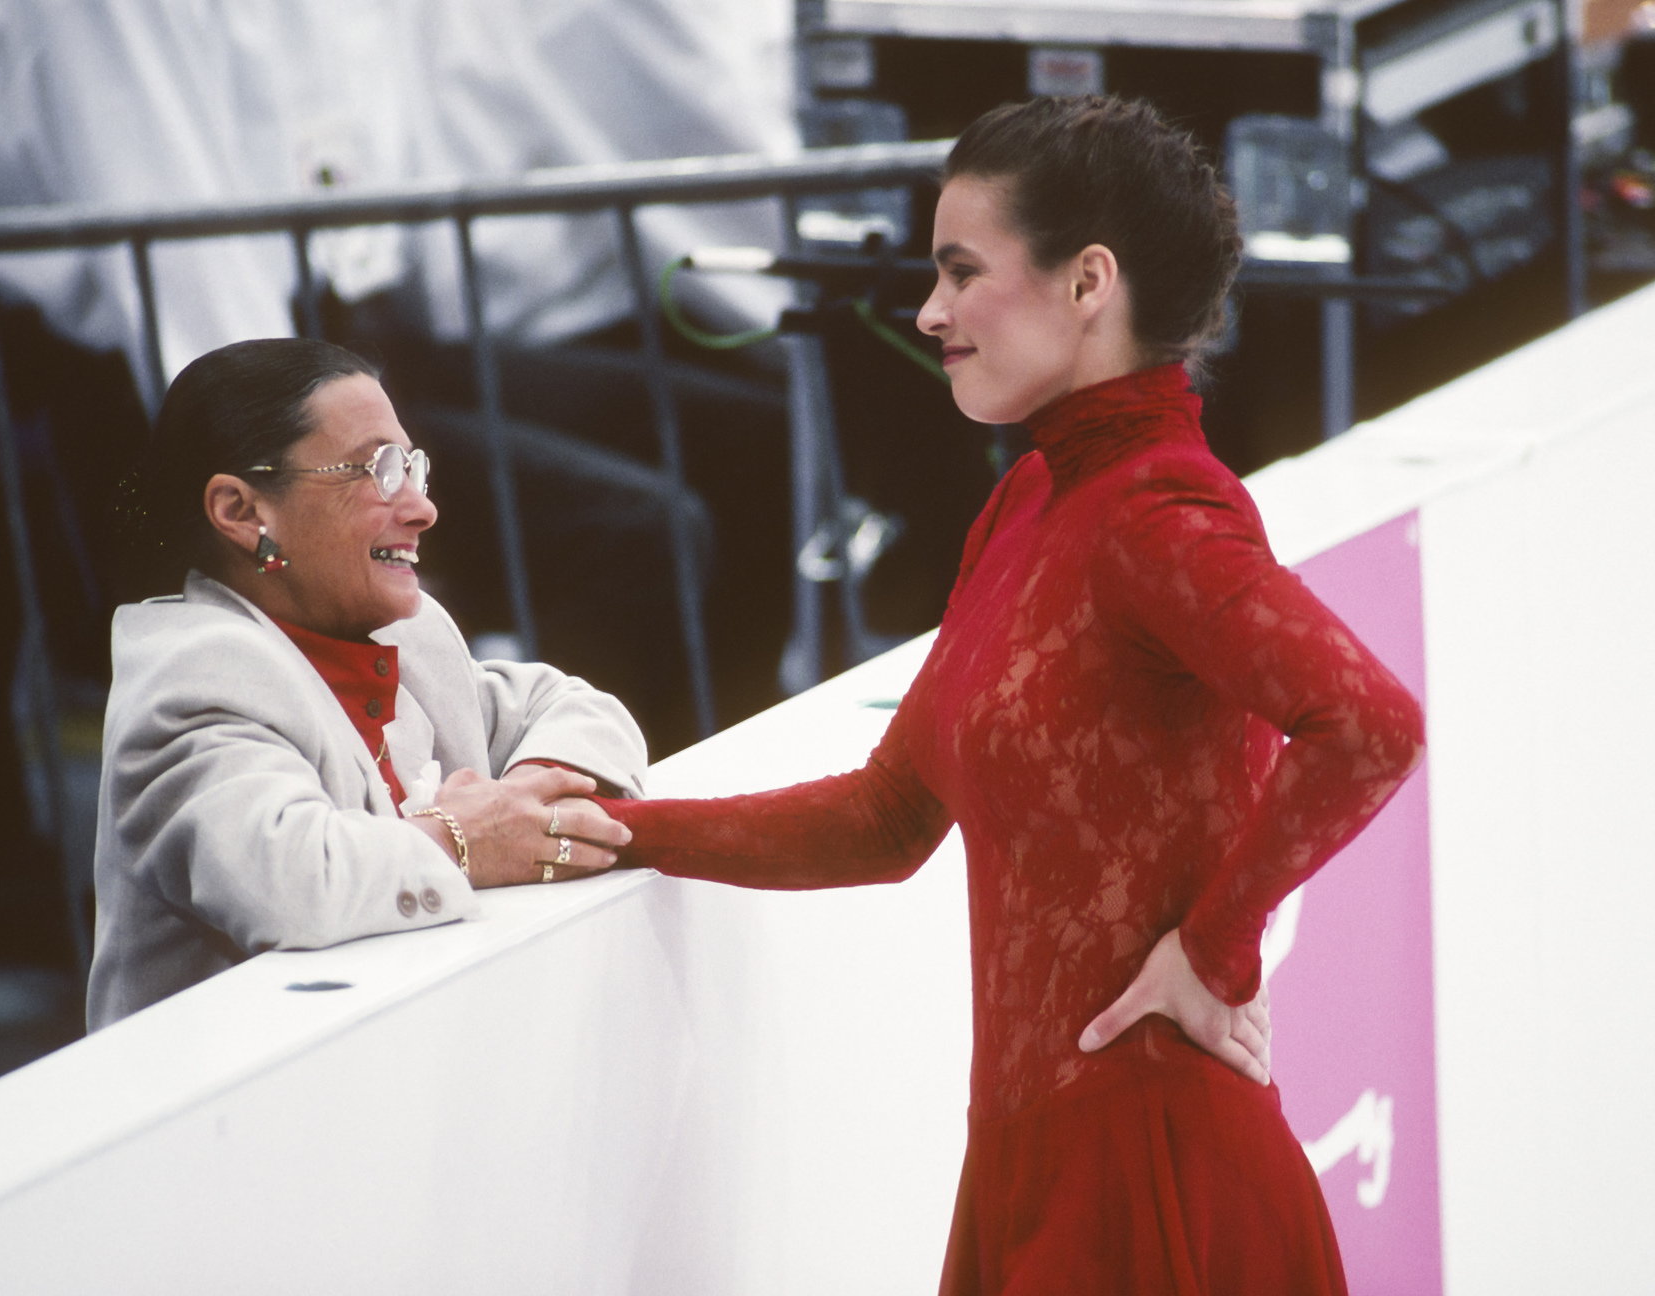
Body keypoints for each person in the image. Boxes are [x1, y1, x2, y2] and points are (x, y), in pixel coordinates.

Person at [596, 96, 1425, 1293]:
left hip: (1151, 1168)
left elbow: (1372, 723)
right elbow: (884, 818)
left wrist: (1215, 952)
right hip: (1028, 1164)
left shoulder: (1159, 513)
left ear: (1088, 282)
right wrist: (608, 831)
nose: (928, 313)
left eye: (961, 271)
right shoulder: (1028, 501)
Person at [88, 338, 643, 1031]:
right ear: (242, 511)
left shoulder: (407, 632)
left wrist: (526, 796)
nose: (421, 509)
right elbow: (294, 880)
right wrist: (467, 838)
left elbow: (572, 706)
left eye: (413, 468)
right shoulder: (196, 678)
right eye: (379, 470)